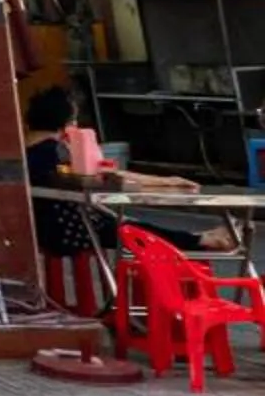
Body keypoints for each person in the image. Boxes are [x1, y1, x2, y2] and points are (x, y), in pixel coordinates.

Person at [26, 85, 237, 268]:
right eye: (74, 119)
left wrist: (165, 181)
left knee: (127, 224)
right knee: (130, 230)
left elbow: (102, 173)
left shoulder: (30, 148)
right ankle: (201, 240)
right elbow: (103, 176)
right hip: (65, 231)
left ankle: (198, 238)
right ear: (64, 122)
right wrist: (164, 182)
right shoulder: (52, 151)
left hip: (55, 227)